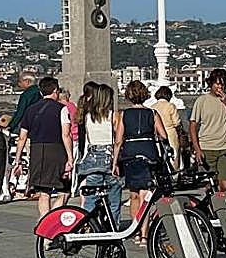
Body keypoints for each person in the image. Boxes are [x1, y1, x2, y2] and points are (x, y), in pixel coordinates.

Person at [11, 76, 71, 220]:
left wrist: (17, 160)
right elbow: (66, 134)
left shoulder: (30, 110)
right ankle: (52, 220)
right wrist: (70, 157)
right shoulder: (62, 109)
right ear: (55, 91)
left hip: (37, 151)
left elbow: (22, 138)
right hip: (56, 151)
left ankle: (45, 223)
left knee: (44, 192)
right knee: (64, 191)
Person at [117, 80, 167, 240]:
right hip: (148, 152)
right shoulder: (152, 113)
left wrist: (114, 162)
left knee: (134, 195)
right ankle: (145, 234)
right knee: (145, 194)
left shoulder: (124, 114)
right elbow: (163, 135)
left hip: (130, 153)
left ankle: (136, 230)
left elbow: (118, 140)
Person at [75, 83, 123, 231]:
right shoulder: (114, 116)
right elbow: (118, 140)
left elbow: (87, 140)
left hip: (92, 158)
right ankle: (112, 228)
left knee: (90, 199)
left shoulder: (88, 117)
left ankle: (87, 225)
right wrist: (116, 161)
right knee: (114, 199)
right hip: (109, 158)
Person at [190, 69, 226, 191]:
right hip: (207, 148)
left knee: (225, 185)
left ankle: (225, 208)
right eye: (217, 84)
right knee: (209, 185)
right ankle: (210, 209)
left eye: (222, 84)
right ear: (211, 84)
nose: (220, 87)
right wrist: (197, 149)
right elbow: (193, 126)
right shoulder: (202, 101)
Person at [151, 86, 183, 170]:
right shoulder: (171, 106)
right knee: (174, 155)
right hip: (170, 133)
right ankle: (174, 174)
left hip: (157, 134)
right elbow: (176, 122)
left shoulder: (152, 107)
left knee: (160, 155)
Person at [8, 71, 40, 136]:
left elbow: (20, 113)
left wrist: (11, 126)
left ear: (27, 81)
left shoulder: (26, 95)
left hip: (29, 124)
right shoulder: (40, 91)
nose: (19, 84)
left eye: (20, 81)